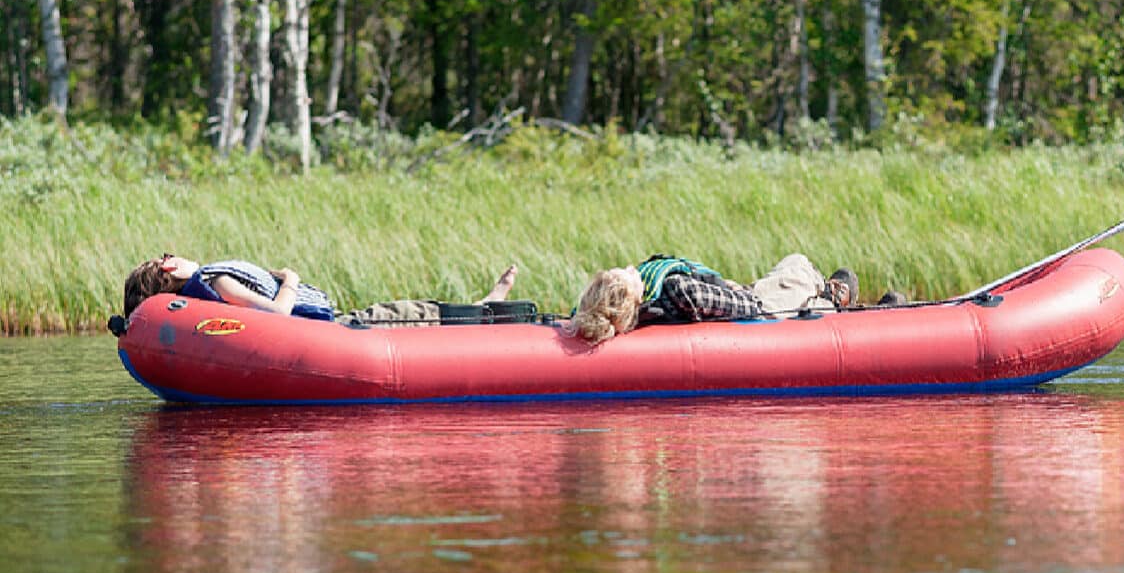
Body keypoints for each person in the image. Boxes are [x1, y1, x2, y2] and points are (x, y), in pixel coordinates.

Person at [122, 254, 520, 326]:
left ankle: (482, 306)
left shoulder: (201, 299)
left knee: (411, 312)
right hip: (341, 329)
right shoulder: (214, 281)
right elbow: (278, 314)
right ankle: (484, 308)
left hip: (332, 328)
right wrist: (290, 279)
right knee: (412, 313)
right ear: (171, 267)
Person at [567, 253, 863, 344]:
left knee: (794, 266)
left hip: (735, 297)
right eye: (625, 273)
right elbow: (752, 307)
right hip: (764, 311)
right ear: (629, 294)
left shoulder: (641, 304)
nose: (632, 268)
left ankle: (825, 288)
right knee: (798, 264)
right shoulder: (677, 289)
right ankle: (832, 298)